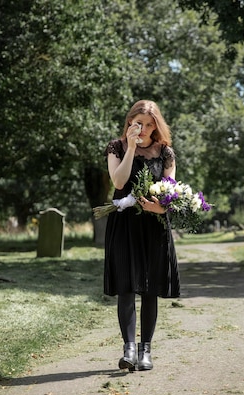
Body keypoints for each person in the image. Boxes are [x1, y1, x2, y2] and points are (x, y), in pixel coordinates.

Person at [103, 100, 180, 371]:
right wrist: (132, 147)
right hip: (124, 225)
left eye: (149, 124)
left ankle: (146, 350)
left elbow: (172, 193)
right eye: (139, 123)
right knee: (126, 287)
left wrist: (160, 207)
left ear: (156, 126)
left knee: (150, 290)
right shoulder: (117, 147)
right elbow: (119, 182)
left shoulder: (165, 153)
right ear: (129, 123)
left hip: (154, 226)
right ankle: (129, 350)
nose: (144, 128)